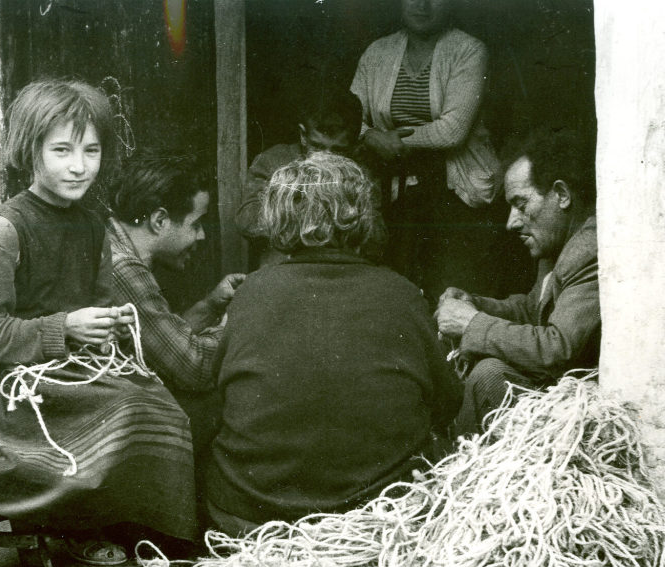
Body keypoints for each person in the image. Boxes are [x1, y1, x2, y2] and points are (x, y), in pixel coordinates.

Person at [0, 80, 201, 567]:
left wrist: (110, 323)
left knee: (157, 405)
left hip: (69, 368)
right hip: (9, 385)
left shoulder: (92, 225)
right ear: (31, 151)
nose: (78, 165)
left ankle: (150, 537)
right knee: (125, 409)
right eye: (62, 150)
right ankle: (79, 527)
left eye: (91, 150)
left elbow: (98, 301)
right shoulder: (3, 233)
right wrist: (65, 328)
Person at [204, 153, 463, 535]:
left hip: (254, 517)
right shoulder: (402, 293)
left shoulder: (252, 292)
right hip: (380, 520)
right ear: (362, 216)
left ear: (278, 218)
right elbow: (447, 402)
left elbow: (222, 394)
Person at [435, 128, 599, 435]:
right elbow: (532, 309)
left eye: (521, 204)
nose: (511, 222)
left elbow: (557, 348)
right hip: (556, 394)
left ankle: (454, 464)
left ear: (562, 195)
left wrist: (472, 324)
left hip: (579, 409)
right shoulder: (558, 244)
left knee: (490, 375)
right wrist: (476, 304)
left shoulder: (587, 251)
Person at [351, 0, 502, 304]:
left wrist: (391, 141)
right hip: (391, 188)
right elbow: (349, 118)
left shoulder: (469, 50)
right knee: (390, 290)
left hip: (456, 190)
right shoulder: (377, 52)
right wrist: (371, 139)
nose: (422, 5)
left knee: (450, 292)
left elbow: (452, 130)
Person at [105, 153, 245, 451]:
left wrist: (210, 306)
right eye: (196, 224)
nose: (202, 235)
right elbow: (192, 367)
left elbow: (162, 342)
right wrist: (242, 320)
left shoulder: (114, 246)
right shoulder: (122, 268)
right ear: (159, 220)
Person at [235, 88, 363, 267]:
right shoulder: (273, 161)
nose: (325, 158)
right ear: (303, 135)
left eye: (338, 150)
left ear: (352, 146)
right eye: (317, 147)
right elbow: (246, 220)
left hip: (339, 269)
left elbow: (377, 236)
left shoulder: (359, 171)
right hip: (285, 268)